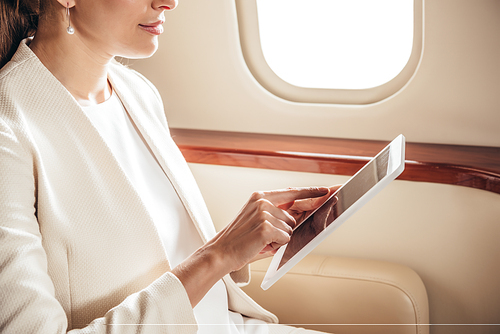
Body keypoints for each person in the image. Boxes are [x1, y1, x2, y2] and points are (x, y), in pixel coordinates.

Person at [0, 0, 339, 333]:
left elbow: (161, 260)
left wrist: (244, 242)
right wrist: (218, 255)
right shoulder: (9, 131)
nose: (169, 3)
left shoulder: (138, 93)